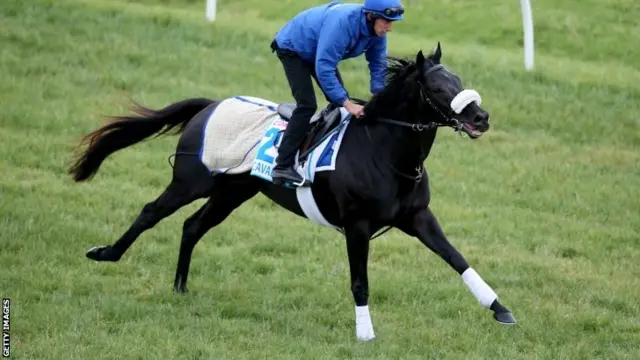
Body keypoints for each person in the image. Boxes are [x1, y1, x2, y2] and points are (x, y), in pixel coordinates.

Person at [269, 0, 405, 187]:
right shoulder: (343, 24)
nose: (390, 28)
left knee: (338, 100)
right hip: (293, 48)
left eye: (392, 22)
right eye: (387, 22)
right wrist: (347, 103)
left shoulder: (377, 33)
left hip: (317, 51)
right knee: (307, 105)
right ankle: (282, 166)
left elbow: (378, 65)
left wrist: (380, 98)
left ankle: (322, 149)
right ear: (371, 16)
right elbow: (324, 66)